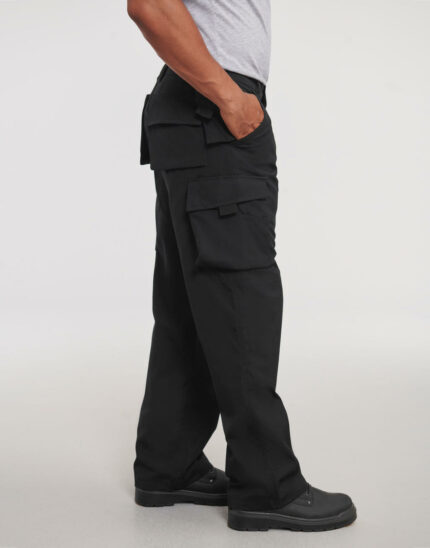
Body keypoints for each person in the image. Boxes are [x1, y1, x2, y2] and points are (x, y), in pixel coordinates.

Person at [127, 0, 356, 532]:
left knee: (191, 306)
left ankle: (168, 463)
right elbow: (149, 4)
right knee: (242, 300)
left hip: (193, 107)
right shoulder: (223, 97)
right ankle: (268, 485)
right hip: (212, 107)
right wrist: (230, 97)